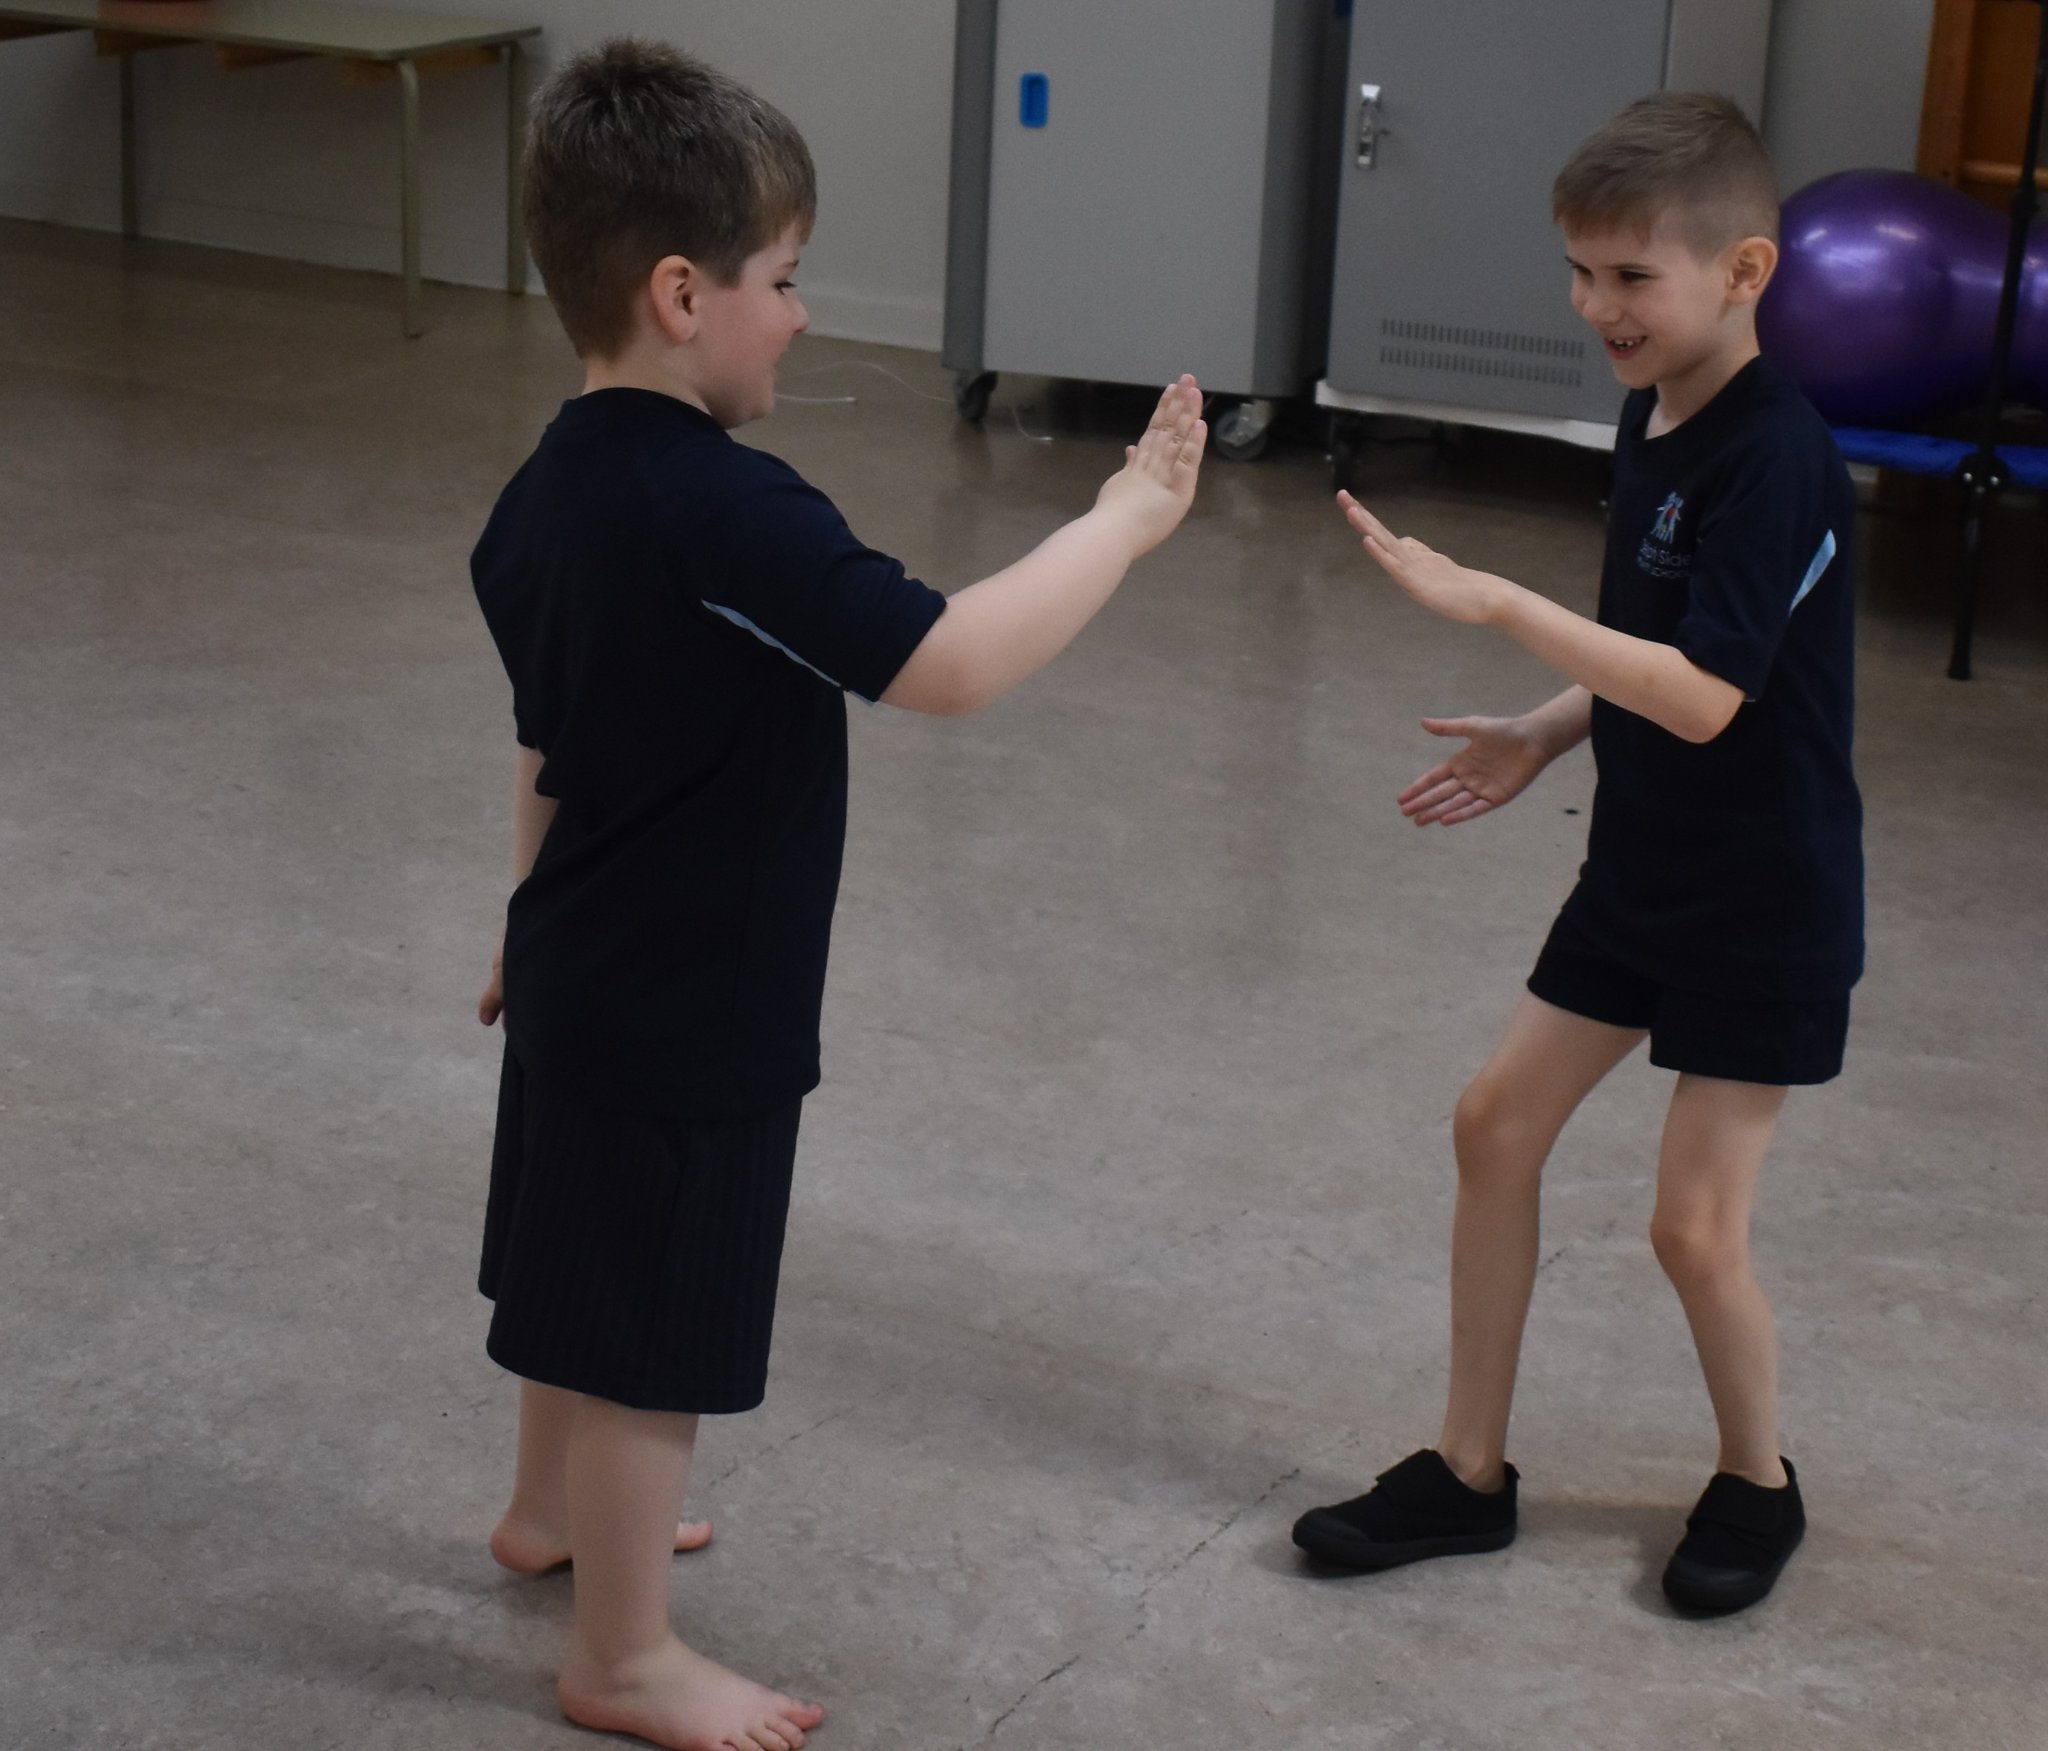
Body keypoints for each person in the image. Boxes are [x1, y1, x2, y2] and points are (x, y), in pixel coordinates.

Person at [469, 40, 1206, 1751]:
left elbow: (546, 738)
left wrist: (521, 912)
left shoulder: (543, 494)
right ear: (679, 293)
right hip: (694, 995)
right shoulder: (724, 507)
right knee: (658, 1326)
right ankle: (625, 1654)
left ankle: (547, 1519)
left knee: (577, 1259)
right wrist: (1123, 517)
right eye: (784, 283)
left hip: (577, 958)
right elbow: (944, 660)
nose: (801, 316)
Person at [1291, 92, 1861, 1616]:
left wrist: (1499, 604)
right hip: (1642, 870)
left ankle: (1757, 1478)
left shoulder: (1780, 460)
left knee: (1692, 1225)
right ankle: (1466, 1471)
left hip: (1766, 896)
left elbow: (1700, 692)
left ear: (1743, 270)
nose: (1596, 308)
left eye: (1631, 278)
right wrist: (1545, 729)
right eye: (1580, 271)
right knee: (1494, 1124)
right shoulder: (1652, 414)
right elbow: (1639, 653)